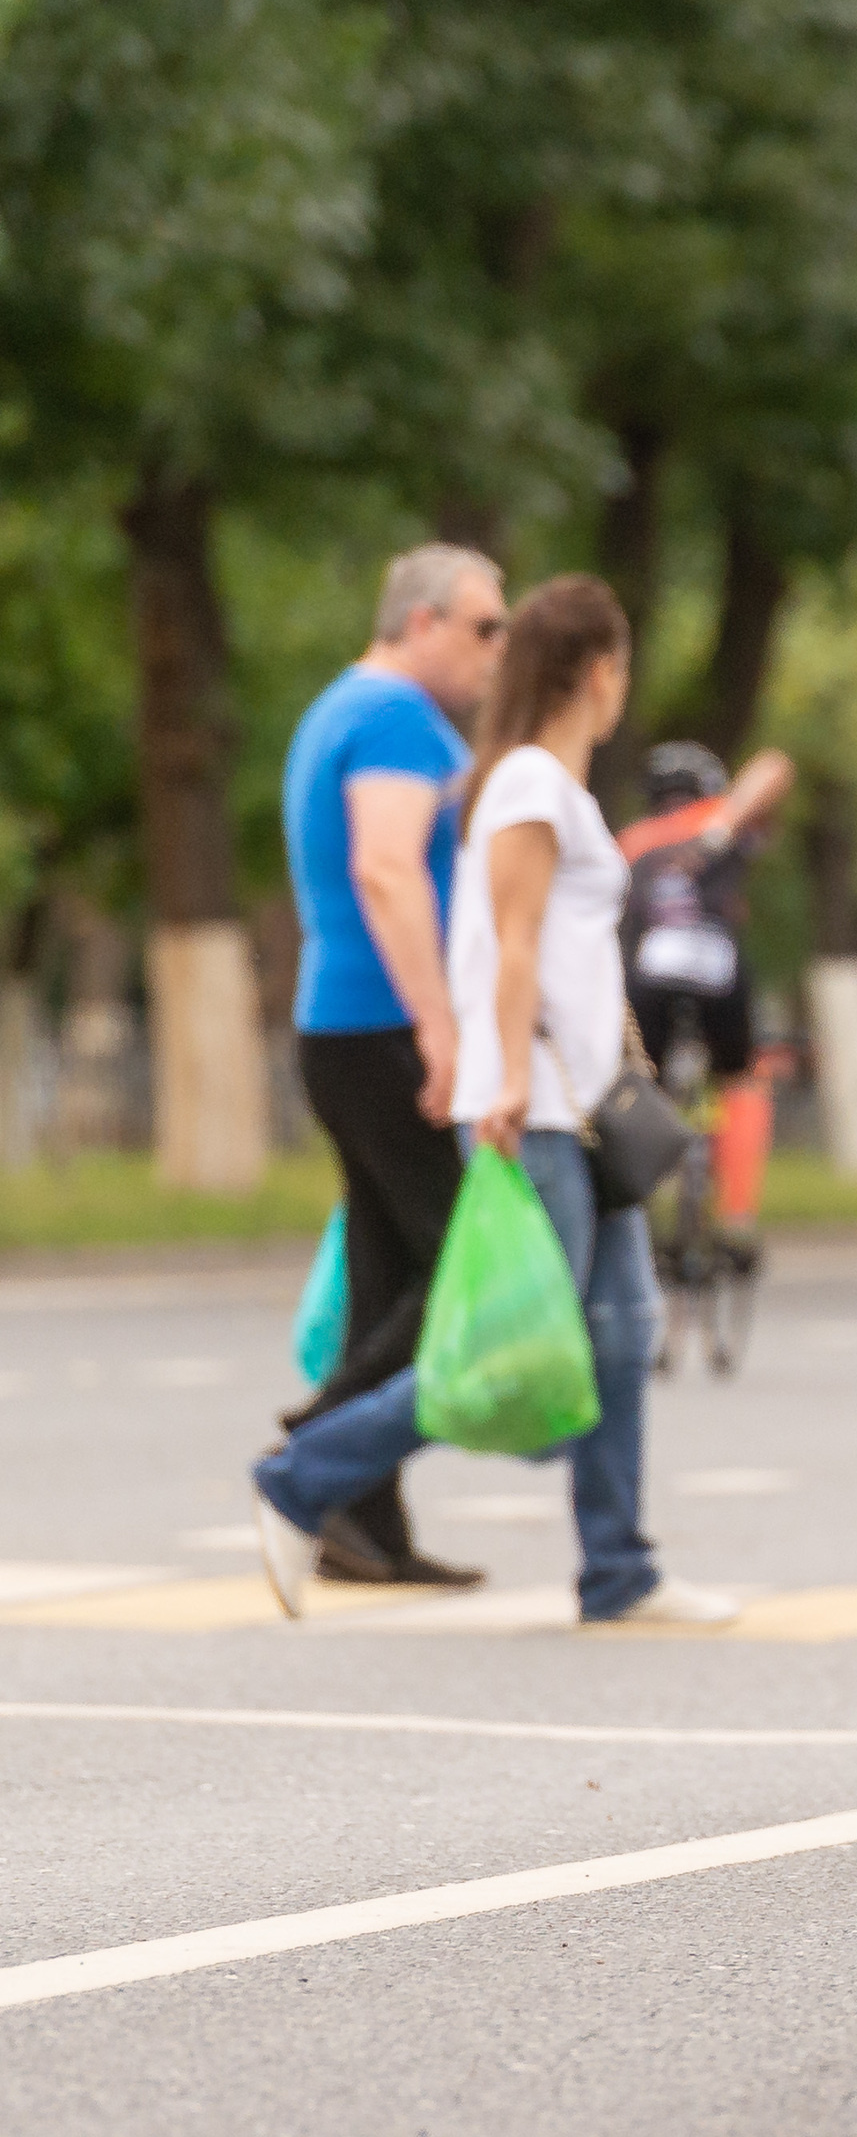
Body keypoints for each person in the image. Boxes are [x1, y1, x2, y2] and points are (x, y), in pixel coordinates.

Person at [251, 577, 736, 1628]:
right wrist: (509, 1078)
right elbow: (511, 945)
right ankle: (303, 1475)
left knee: (619, 1331)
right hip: (544, 1109)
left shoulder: (544, 783)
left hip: (585, 1105)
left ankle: (620, 1568)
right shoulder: (526, 782)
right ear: (599, 670)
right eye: (622, 670)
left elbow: (561, 951)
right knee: (509, 1346)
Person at [278, 543, 508, 1589]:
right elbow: (384, 864)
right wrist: (439, 1024)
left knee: (388, 1274)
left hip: (344, 1025)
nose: (495, 652)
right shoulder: (395, 719)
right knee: (460, 1264)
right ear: (422, 622)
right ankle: (316, 1447)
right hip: (383, 1028)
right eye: (484, 628)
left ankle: (363, 1527)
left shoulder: (341, 705)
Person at [617, 740, 798, 1259]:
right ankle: (736, 1216)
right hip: (719, 976)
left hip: (641, 984)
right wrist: (723, 828)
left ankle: (635, 1204)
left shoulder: (630, 841)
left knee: (640, 1085)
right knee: (742, 1076)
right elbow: (774, 767)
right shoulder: (722, 817)